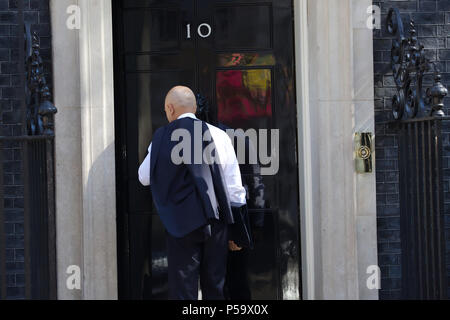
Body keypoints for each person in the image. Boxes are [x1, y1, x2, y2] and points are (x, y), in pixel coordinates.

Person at [138, 86, 246, 300]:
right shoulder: (218, 135)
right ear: (195, 108)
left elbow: (144, 177)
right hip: (216, 222)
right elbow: (234, 186)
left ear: (170, 108)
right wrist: (238, 228)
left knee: (183, 290)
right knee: (215, 286)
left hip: (180, 224)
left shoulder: (161, 137)